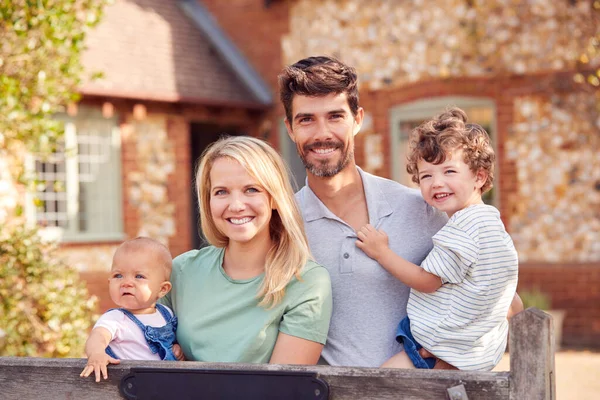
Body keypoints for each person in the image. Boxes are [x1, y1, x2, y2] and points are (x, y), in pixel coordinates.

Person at [279, 56, 523, 368]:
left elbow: (494, 289)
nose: (322, 133)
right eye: (306, 119)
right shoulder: (283, 224)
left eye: (335, 116)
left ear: (358, 119)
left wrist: (457, 357)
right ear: (289, 128)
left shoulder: (423, 209)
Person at [356, 107, 518, 371]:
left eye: (449, 172)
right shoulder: (492, 223)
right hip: (468, 355)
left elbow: (427, 281)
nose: (436, 183)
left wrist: (382, 253)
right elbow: (513, 299)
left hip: (437, 349)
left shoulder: (462, 228)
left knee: (382, 381)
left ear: (479, 176)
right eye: (426, 175)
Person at [162, 136, 332, 364]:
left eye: (251, 190)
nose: (236, 205)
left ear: (274, 198)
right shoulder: (182, 270)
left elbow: (284, 388)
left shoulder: (306, 282)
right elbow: (136, 336)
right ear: (208, 200)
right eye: (221, 192)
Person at [80, 237, 177, 382]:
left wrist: (176, 349)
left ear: (162, 289)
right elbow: (98, 337)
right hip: (133, 387)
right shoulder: (116, 319)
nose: (126, 283)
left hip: (167, 385)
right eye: (118, 275)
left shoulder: (166, 314)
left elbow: (168, 346)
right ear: (109, 282)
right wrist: (96, 353)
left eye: (139, 276)